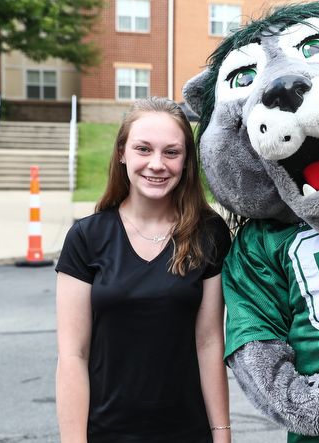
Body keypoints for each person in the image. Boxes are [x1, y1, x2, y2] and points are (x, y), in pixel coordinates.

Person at [55, 97, 232, 442]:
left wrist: (222, 434)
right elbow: (73, 354)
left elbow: (209, 342)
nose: (157, 164)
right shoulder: (87, 237)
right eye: (143, 149)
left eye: (171, 152)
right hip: (105, 432)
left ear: (185, 161)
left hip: (187, 432)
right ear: (122, 153)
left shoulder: (209, 234)